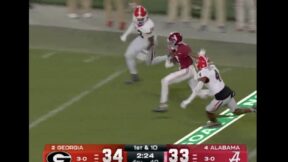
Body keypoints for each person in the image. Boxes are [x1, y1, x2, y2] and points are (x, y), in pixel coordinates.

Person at [180, 54, 256, 127]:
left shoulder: (203, 74)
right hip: (227, 91)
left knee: (208, 111)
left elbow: (197, 89)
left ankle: (214, 122)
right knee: (236, 111)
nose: (196, 64)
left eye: (197, 63)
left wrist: (189, 100)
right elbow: (206, 63)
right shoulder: (213, 67)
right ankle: (253, 109)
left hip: (221, 97)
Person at [153, 32, 211, 112]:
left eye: (172, 41)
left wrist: (169, 56)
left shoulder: (182, 50)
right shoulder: (181, 46)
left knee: (165, 81)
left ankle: (163, 105)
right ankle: (217, 92)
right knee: (197, 92)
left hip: (186, 71)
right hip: (191, 70)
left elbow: (169, 65)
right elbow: (190, 54)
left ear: (176, 41)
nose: (170, 42)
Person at [120, 5, 167, 84]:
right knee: (128, 55)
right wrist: (125, 34)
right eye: (138, 18)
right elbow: (133, 24)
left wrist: (145, 52)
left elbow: (151, 41)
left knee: (149, 62)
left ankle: (167, 57)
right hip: (141, 38)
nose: (139, 20)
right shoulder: (137, 15)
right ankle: (134, 76)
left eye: (141, 19)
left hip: (150, 41)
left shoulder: (148, 25)